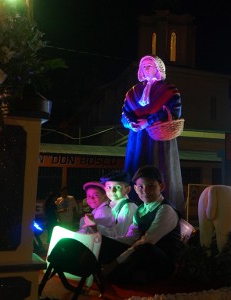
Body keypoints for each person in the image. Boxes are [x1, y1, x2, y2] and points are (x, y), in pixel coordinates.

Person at [121, 55, 185, 217]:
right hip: (137, 140)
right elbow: (124, 115)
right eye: (143, 66)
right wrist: (132, 124)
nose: (146, 68)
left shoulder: (170, 90)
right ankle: (133, 210)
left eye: (150, 65)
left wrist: (148, 122)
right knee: (136, 168)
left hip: (159, 139)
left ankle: (165, 211)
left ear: (158, 68)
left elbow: (173, 112)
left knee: (160, 169)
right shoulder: (132, 92)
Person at [100, 165, 184, 284]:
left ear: (161, 186)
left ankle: (118, 272)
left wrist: (115, 263)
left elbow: (147, 241)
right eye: (140, 186)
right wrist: (109, 242)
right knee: (103, 242)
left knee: (145, 247)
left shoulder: (165, 210)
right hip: (141, 254)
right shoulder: (140, 210)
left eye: (151, 186)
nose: (145, 191)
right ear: (135, 188)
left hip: (162, 261)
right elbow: (131, 237)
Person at [88, 171, 138, 240]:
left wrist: (95, 227)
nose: (112, 191)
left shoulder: (127, 208)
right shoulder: (115, 205)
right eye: (109, 187)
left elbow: (118, 235)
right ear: (105, 189)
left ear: (128, 190)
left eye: (117, 187)